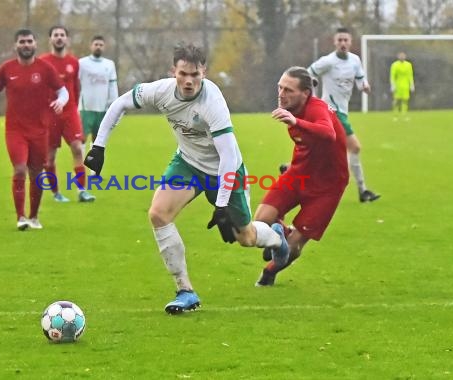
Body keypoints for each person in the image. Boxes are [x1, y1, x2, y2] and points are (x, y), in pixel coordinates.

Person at [83, 42, 289, 314]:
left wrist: (222, 203)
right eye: (183, 74)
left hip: (224, 172)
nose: (189, 81)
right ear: (173, 72)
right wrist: (98, 146)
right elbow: (121, 103)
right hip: (188, 164)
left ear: (204, 72)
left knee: (246, 237)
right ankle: (185, 290)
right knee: (158, 214)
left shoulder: (212, 103)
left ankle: (276, 237)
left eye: (195, 75)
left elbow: (228, 155)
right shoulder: (161, 91)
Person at [255, 66, 349, 286]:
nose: (281, 94)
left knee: (293, 248)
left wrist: (296, 122)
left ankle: (270, 272)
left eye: (288, 90)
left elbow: (328, 134)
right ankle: (280, 234)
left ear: (305, 93)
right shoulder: (292, 110)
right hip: (299, 173)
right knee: (261, 221)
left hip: (328, 187)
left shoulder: (317, 109)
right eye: (280, 87)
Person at [0, 29, 69, 230]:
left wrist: (61, 101)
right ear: (15, 45)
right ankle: (21, 217)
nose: (26, 45)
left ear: (35, 44)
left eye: (29, 41)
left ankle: (34, 217)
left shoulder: (45, 68)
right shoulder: (6, 69)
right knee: (19, 169)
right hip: (15, 131)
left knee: (37, 172)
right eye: (22, 42)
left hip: (40, 131)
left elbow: (63, 91)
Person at [308, 27, 380, 203]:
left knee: (327, 152)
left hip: (342, 111)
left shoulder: (355, 60)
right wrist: (313, 96)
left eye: (345, 40)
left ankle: (291, 168)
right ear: (335, 42)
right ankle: (361, 191)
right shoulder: (328, 61)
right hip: (331, 111)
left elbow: (360, 79)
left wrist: (364, 86)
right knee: (354, 147)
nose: (342, 43)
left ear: (350, 42)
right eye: (339, 40)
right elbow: (308, 73)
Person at [40, 26, 95, 203]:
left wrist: (73, 106)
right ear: (50, 39)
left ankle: (81, 190)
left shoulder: (74, 62)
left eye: (62, 35)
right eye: (55, 35)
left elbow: (75, 89)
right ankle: (56, 193)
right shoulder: (42, 62)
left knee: (78, 148)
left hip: (70, 112)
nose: (59, 38)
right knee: (50, 155)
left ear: (67, 39)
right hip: (49, 114)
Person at [78, 35, 118, 153]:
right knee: (82, 139)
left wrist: (113, 104)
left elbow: (112, 86)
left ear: (104, 47)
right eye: (96, 44)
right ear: (91, 46)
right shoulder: (82, 63)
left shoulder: (109, 64)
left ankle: (94, 171)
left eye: (101, 45)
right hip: (85, 109)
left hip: (102, 109)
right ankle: (80, 170)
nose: (98, 47)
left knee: (98, 142)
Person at [390, 51, 415, 120]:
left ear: (405, 57)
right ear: (398, 57)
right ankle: (395, 115)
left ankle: (404, 115)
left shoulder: (408, 65)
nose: (402, 57)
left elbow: (410, 75)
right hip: (397, 85)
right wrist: (392, 85)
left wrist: (412, 84)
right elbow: (392, 75)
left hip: (405, 85)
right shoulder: (395, 65)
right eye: (400, 56)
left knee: (405, 100)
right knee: (396, 100)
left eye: (403, 56)